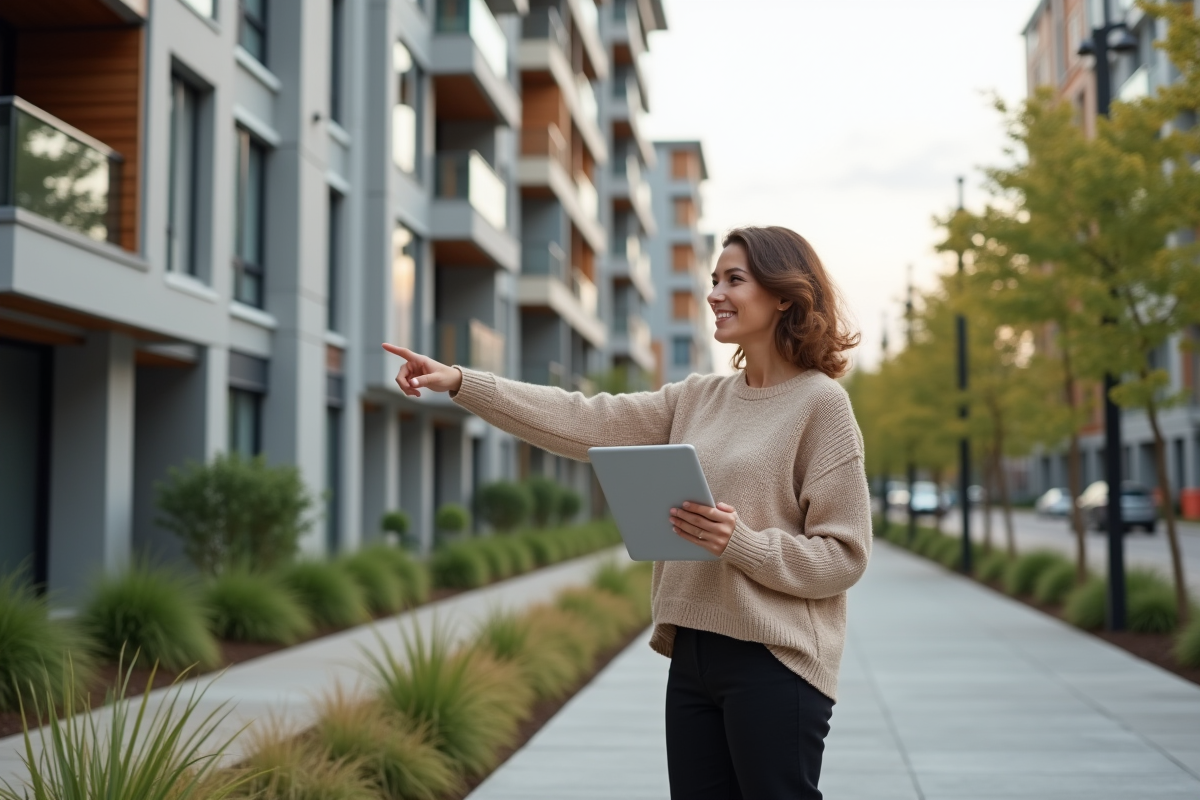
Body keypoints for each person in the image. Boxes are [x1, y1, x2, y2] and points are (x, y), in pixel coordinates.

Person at [382, 225, 871, 800]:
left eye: (734, 279)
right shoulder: (697, 398)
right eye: (714, 279)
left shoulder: (821, 404)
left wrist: (739, 542)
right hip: (693, 651)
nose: (715, 292)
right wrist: (464, 382)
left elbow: (844, 555)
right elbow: (582, 419)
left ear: (785, 295)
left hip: (776, 659)